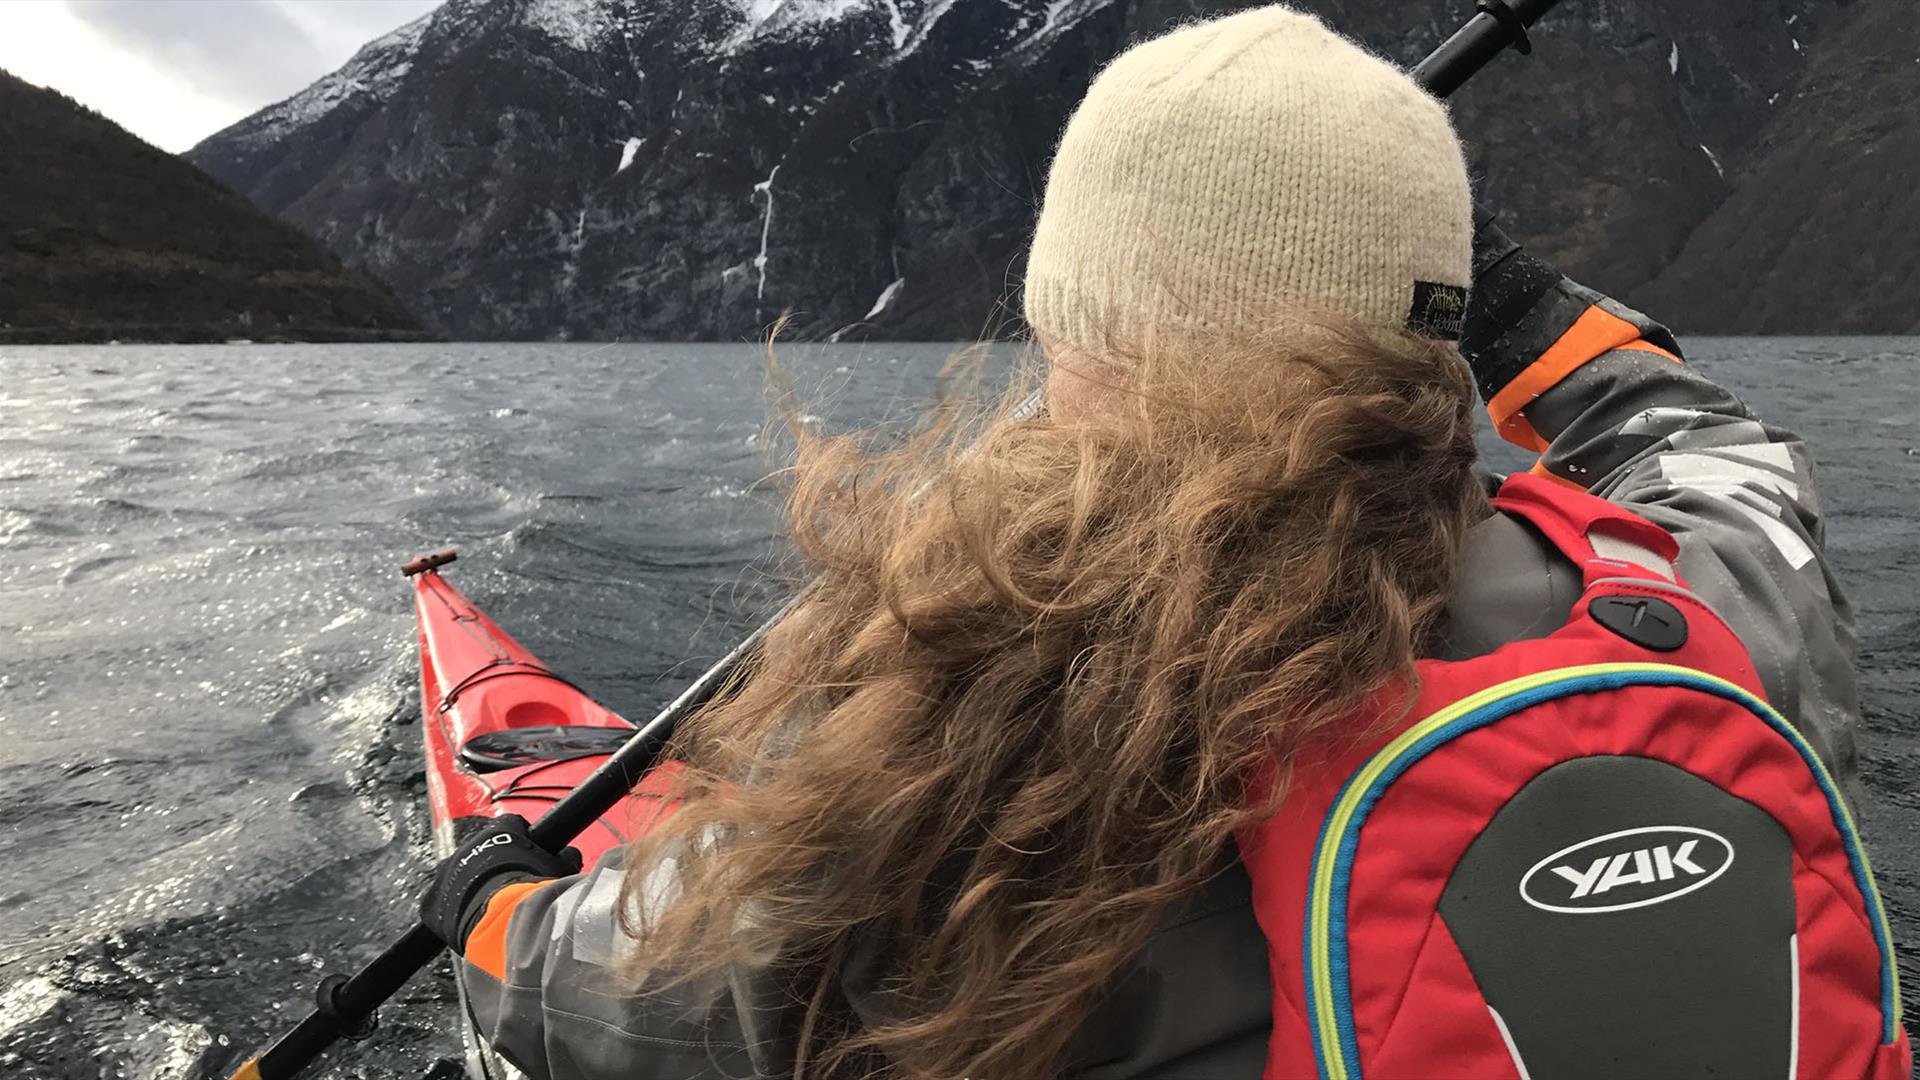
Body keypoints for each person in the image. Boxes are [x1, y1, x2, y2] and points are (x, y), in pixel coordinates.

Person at [420, 7, 1901, 1079]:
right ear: (1428, 334)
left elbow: (640, 1003)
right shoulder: (1704, 599)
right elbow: (1709, 443)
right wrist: (1497, 304)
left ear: (1087, 336)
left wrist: (488, 913)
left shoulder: (979, 735)